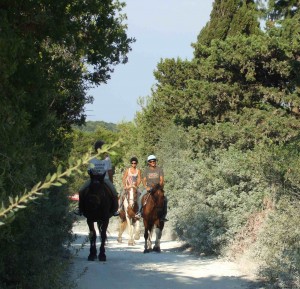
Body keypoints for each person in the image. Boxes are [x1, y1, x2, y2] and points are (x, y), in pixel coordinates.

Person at [76, 140, 119, 217]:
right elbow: (89, 171)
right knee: (81, 190)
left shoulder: (107, 159)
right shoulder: (92, 158)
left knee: (114, 193)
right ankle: (80, 209)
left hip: (104, 179)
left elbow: (110, 172)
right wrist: (95, 174)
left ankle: (115, 210)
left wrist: (111, 182)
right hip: (94, 179)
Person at [135, 154, 168, 221]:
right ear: (148, 162)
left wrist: (160, 186)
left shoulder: (159, 170)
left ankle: (163, 215)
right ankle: (139, 212)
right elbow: (143, 180)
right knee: (141, 197)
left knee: (165, 199)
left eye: (154, 161)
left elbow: (161, 180)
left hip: (158, 188)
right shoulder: (146, 170)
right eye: (151, 161)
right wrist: (146, 187)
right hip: (149, 188)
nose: (153, 162)